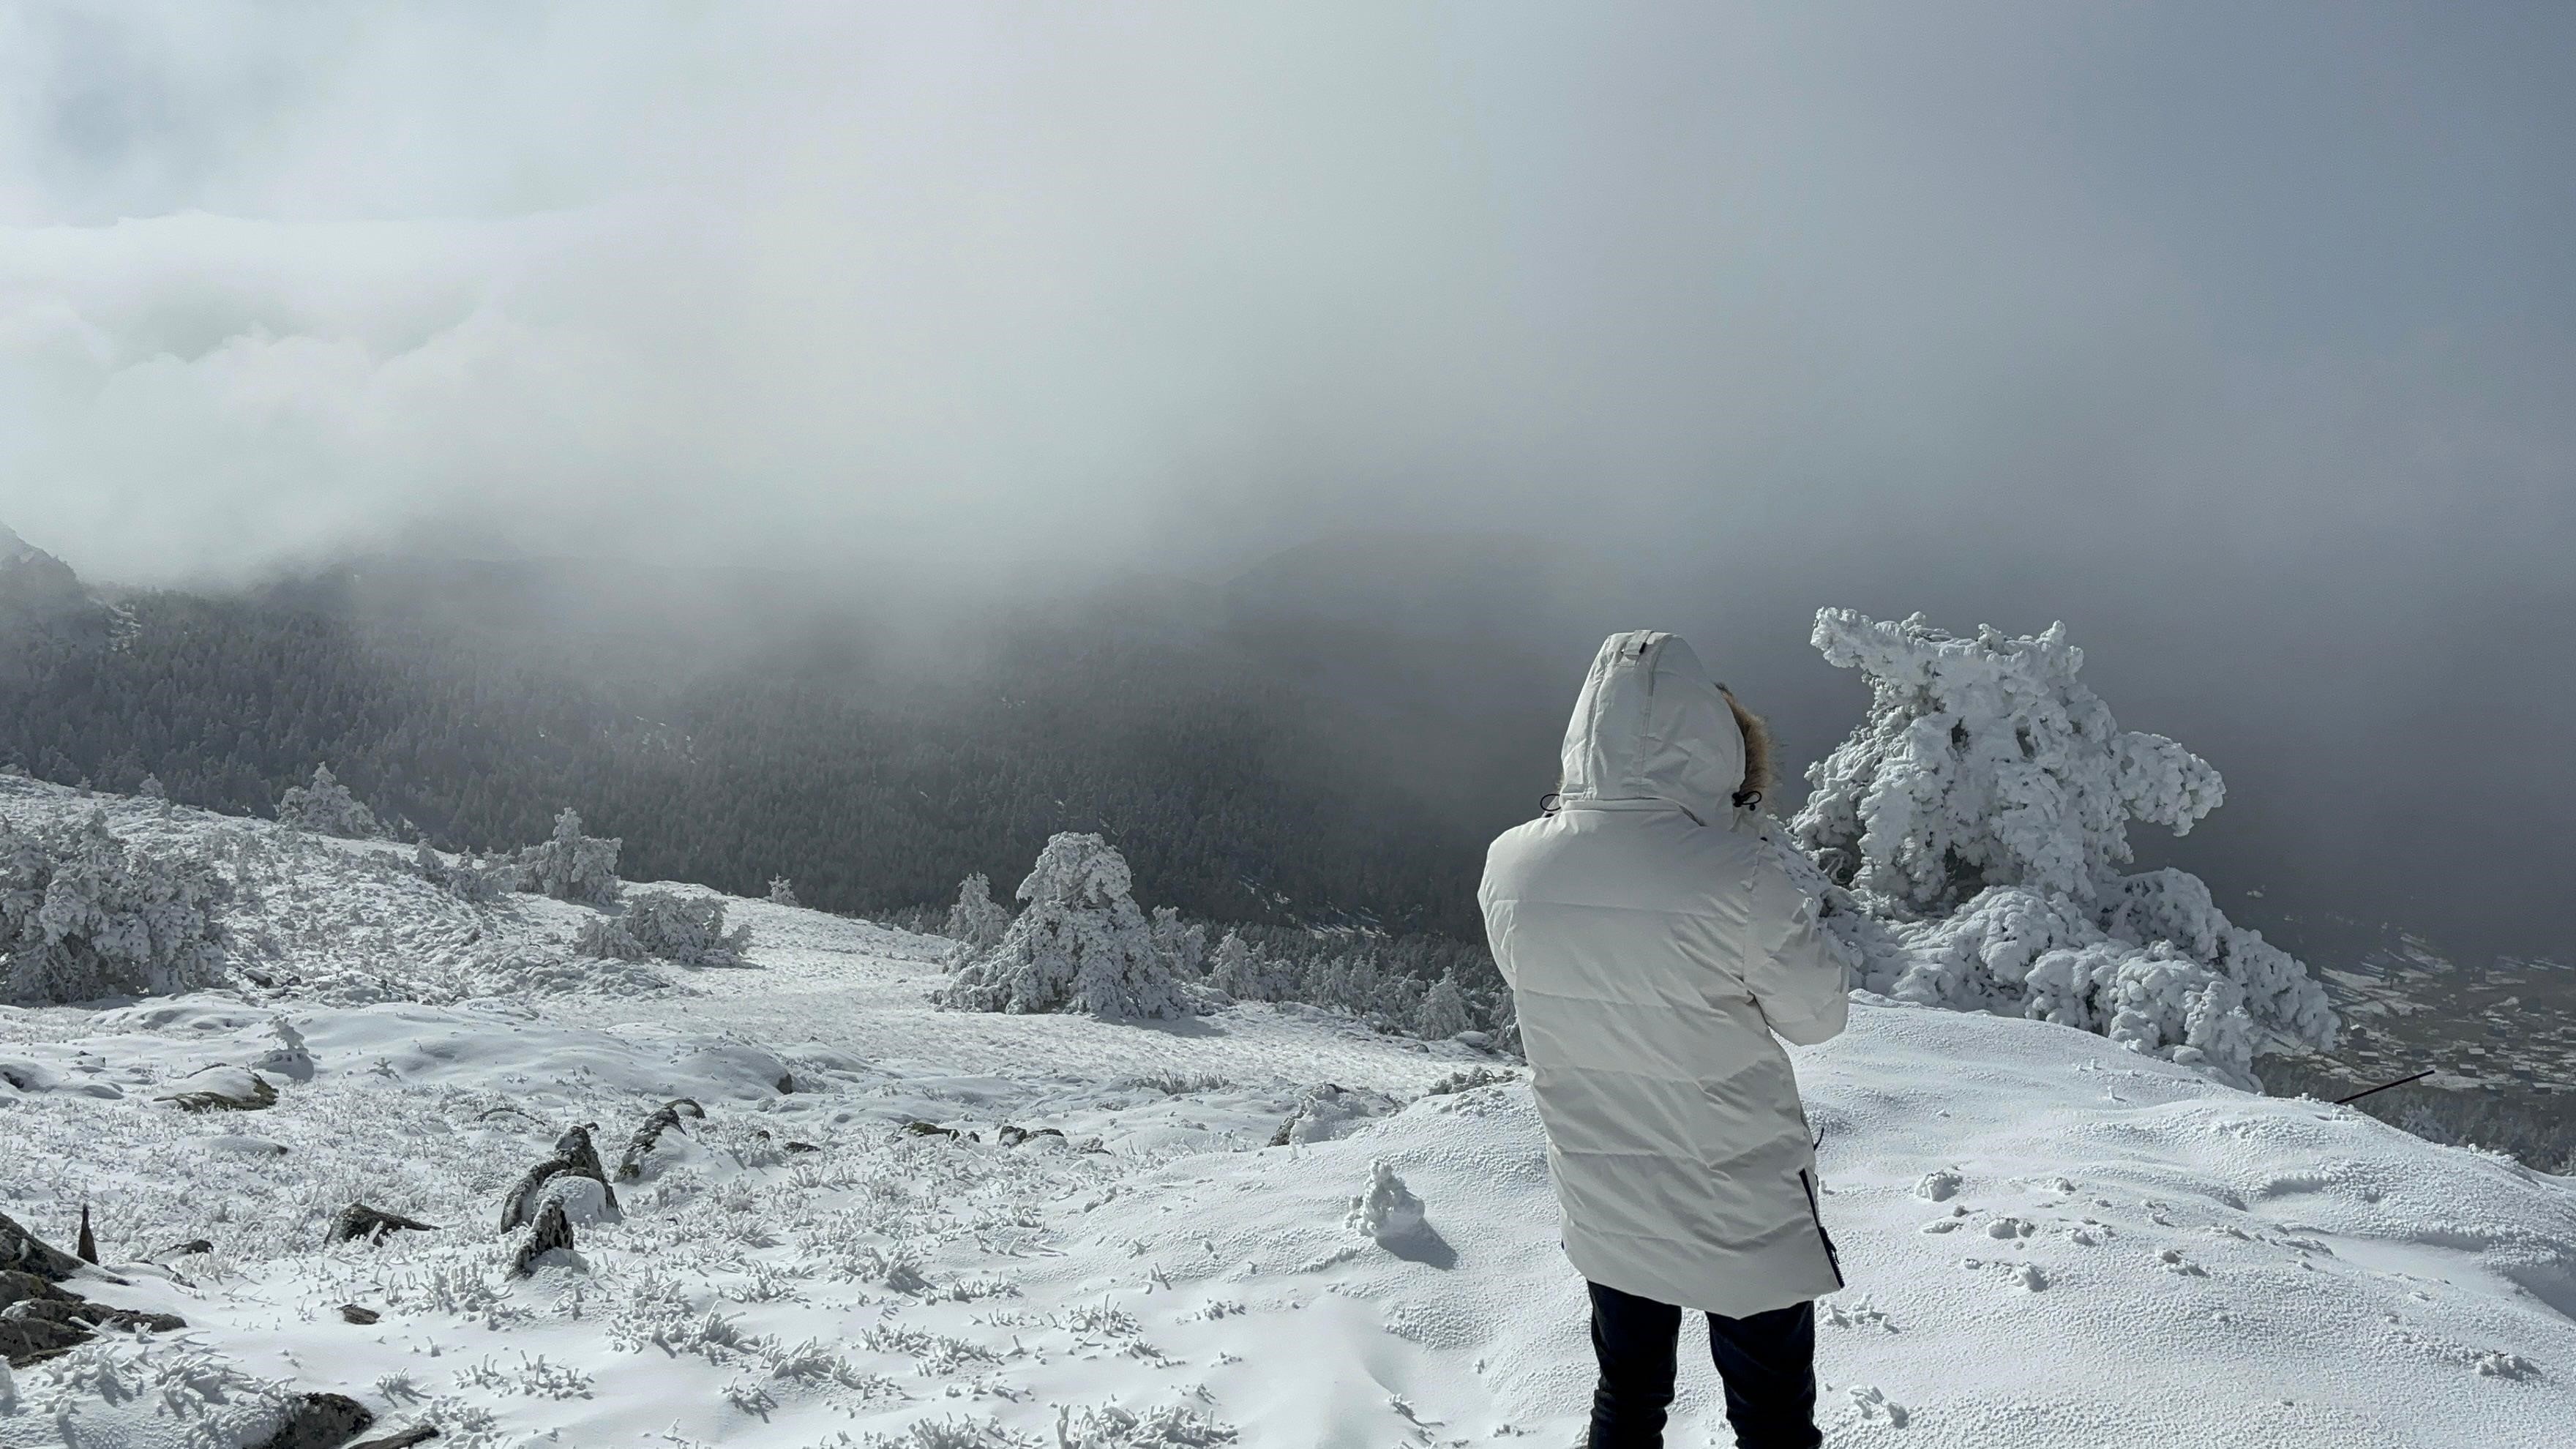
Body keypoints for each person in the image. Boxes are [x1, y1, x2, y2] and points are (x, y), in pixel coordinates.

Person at [1478, 630, 1850, 1449]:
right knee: (1772, 1418)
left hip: (1604, 1185)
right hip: (1736, 1191)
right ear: (1712, 751)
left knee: (1628, 1396)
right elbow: (1817, 1017)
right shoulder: (1741, 877)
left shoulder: (1509, 864)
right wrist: (1742, 842)